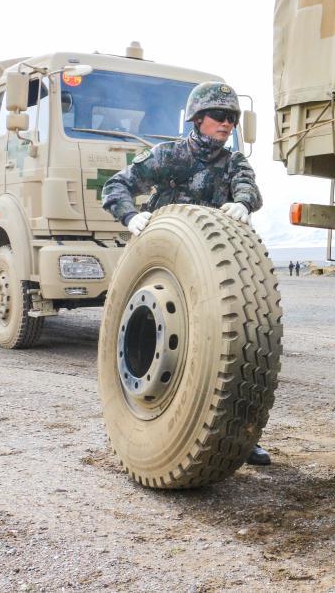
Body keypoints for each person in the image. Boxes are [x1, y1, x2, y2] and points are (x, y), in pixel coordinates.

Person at [102, 80, 272, 468]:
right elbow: (116, 186)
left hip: (212, 275)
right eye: (219, 116)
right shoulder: (170, 157)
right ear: (198, 119)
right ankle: (137, 429)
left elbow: (250, 189)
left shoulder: (233, 164)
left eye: (232, 118)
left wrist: (243, 204)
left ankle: (241, 440)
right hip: (167, 270)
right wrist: (131, 215)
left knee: (237, 355)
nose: (227, 124)